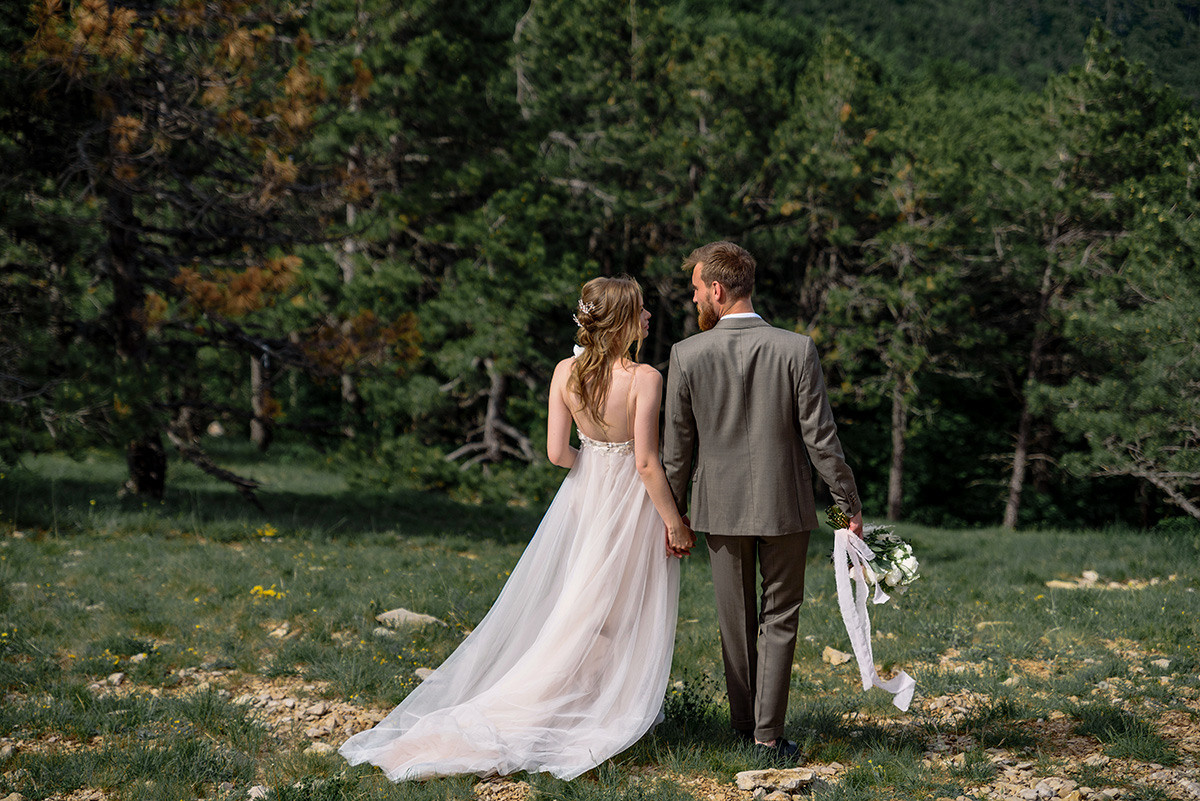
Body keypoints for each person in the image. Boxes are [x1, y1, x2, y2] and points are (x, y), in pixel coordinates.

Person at [339, 276, 695, 781]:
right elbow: (645, 462)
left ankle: (578, 701)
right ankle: (580, 707)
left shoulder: (565, 372)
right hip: (629, 506)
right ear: (620, 320)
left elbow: (556, 453)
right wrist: (674, 523)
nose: (649, 316)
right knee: (615, 613)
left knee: (582, 607)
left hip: (585, 496)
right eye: (640, 309)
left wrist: (595, 464)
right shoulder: (644, 378)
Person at [662, 241, 863, 760]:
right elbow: (822, 440)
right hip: (785, 506)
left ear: (717, 289)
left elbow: (676, 451)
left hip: (718, 510)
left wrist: (672, 516)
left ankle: (742, 725)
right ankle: (767, 736)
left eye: (695, 290)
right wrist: (846, 509)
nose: (693, 299)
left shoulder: (686, 354)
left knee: (735, 620)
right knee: (780, 617)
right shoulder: (796, 348)